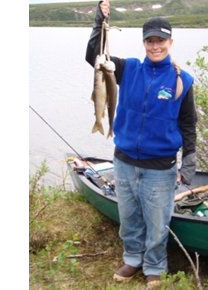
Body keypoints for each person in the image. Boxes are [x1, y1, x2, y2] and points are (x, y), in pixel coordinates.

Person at [85, 1, 197, 288]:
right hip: (123, 161)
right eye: (150, 40)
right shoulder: (127, 69)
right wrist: (100, 21)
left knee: (158, 222)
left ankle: (155, 266)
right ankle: (133, 259)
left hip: (160, 167)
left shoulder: (182, 80)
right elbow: (92, 55)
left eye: (161, 40)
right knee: (129, 217)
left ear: (170, 41)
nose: (155, 45)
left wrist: (190, 160)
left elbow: (188, 124)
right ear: (144, 42)